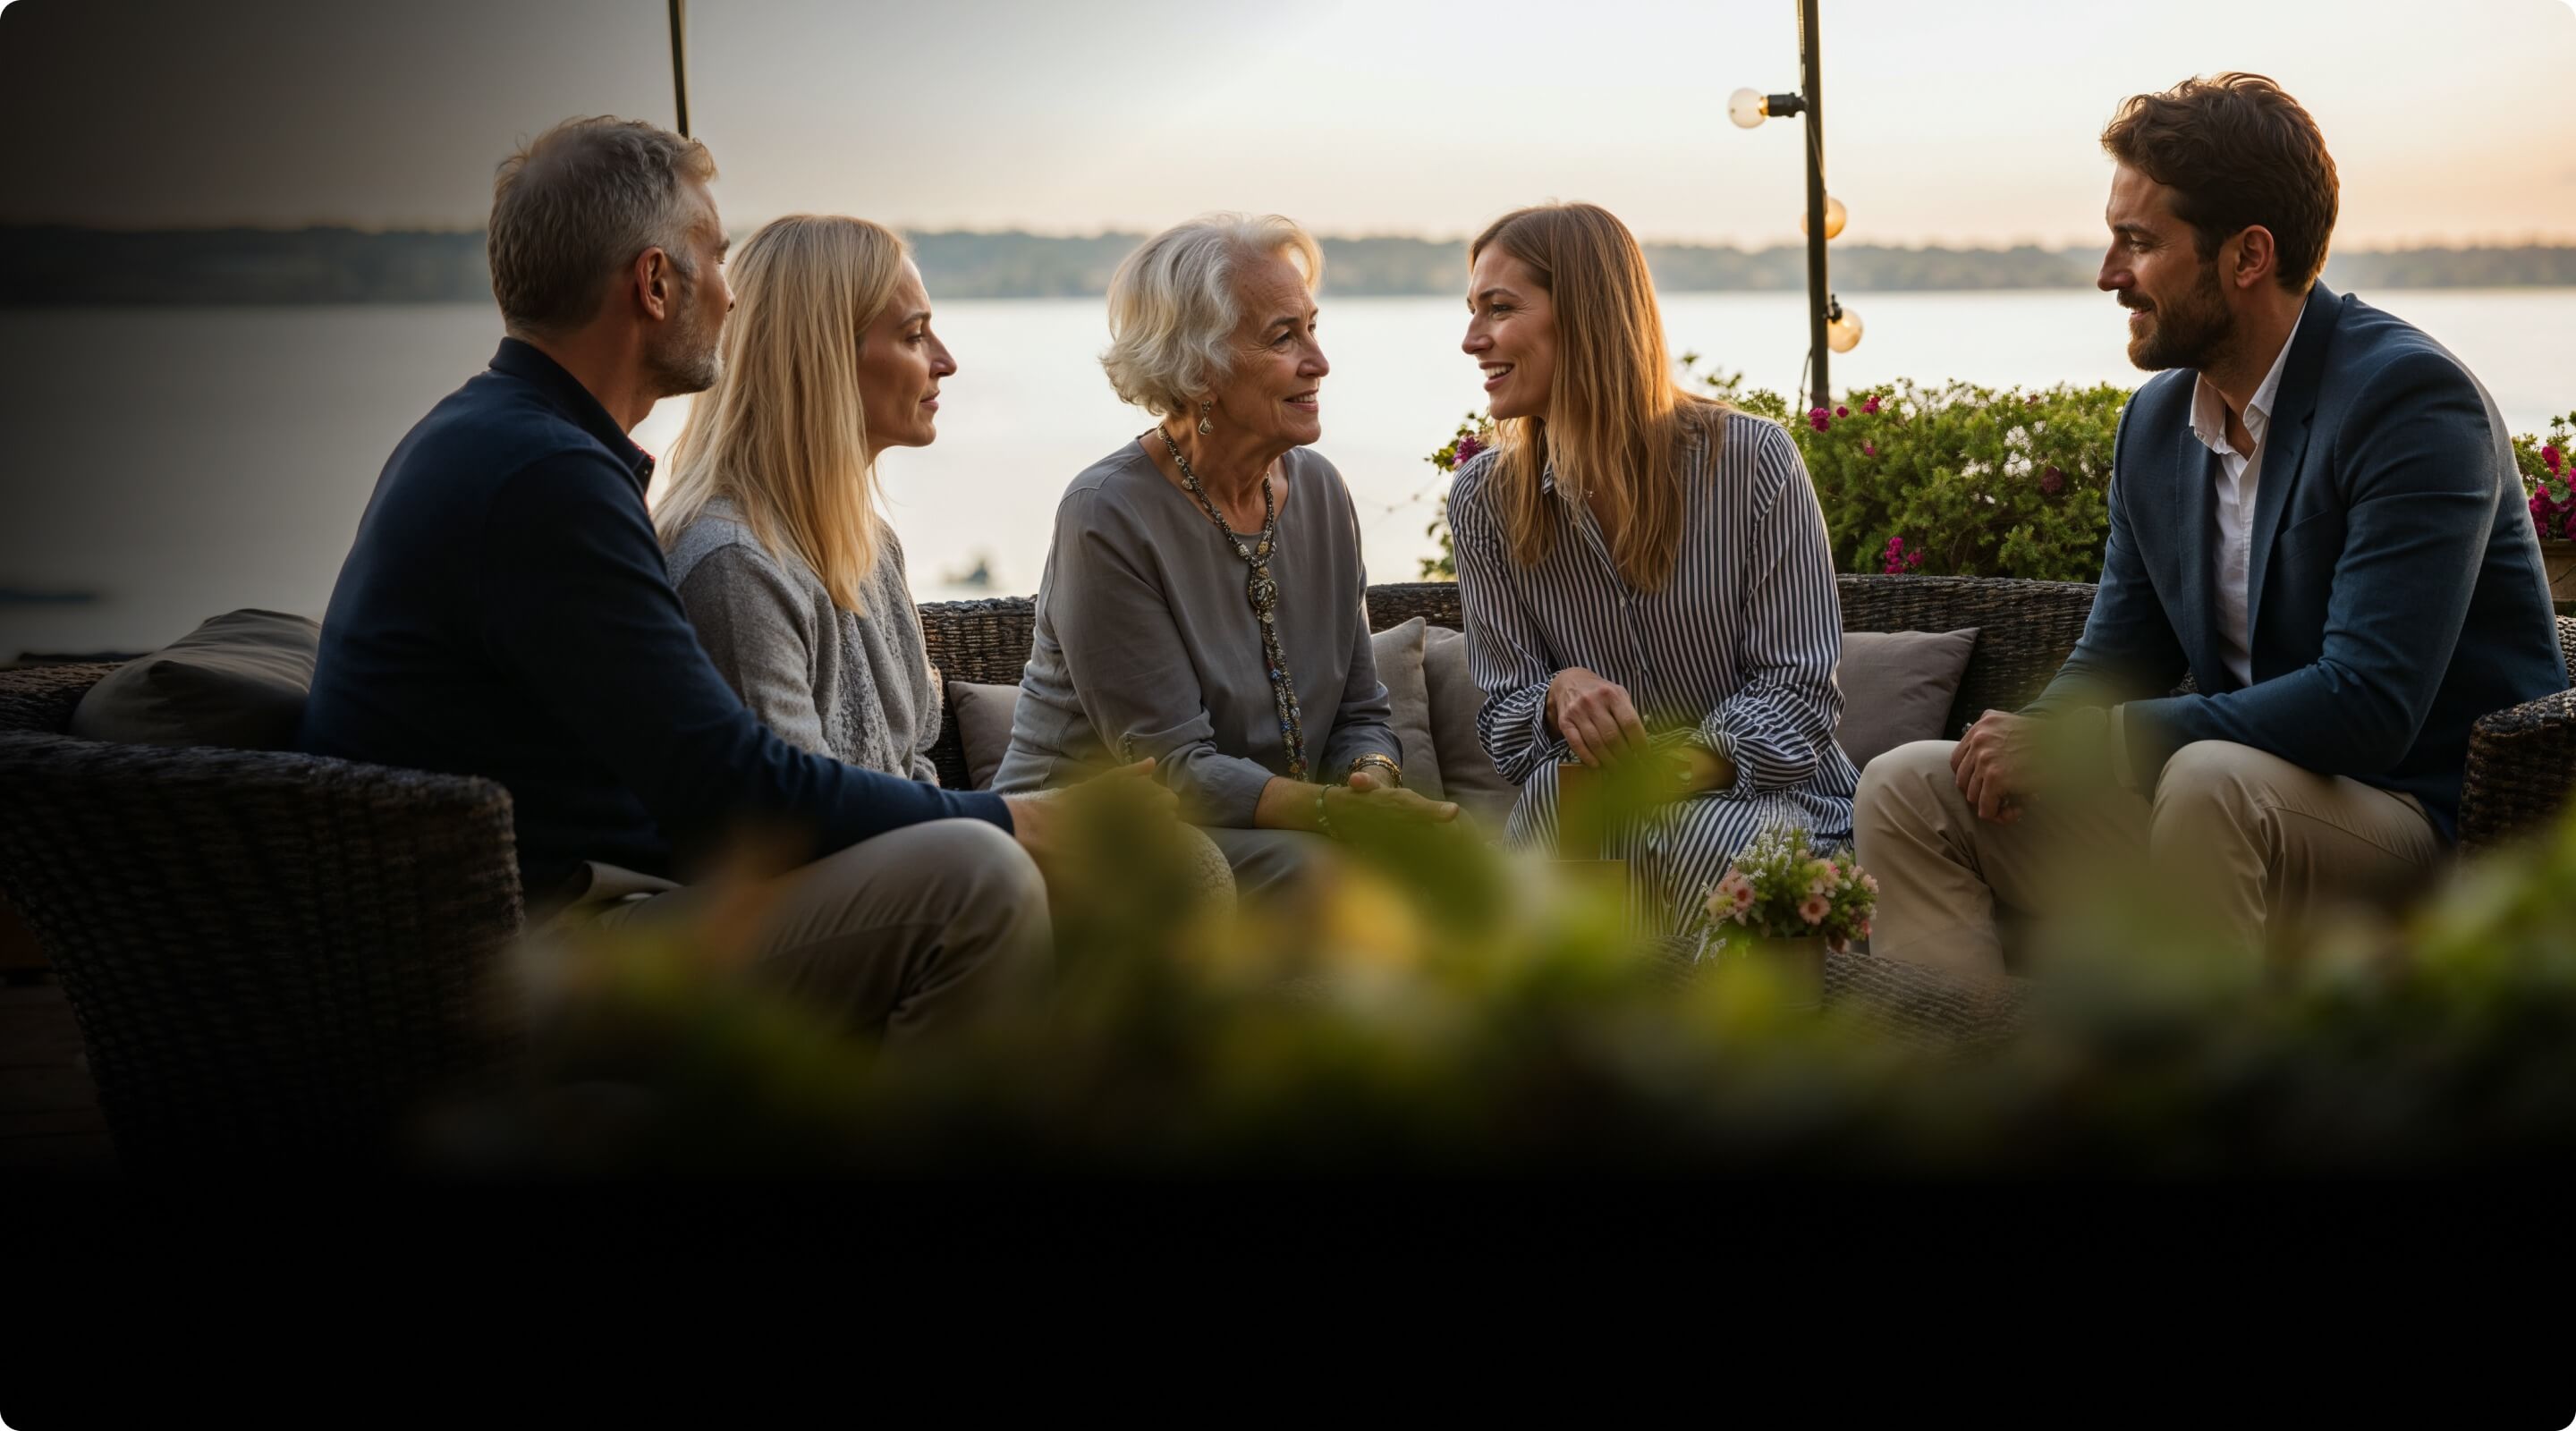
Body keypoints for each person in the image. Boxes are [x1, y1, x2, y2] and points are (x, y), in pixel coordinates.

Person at [299, 117, 1080, 1043]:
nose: (734, 296)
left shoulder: (503, 441)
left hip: (583, 907)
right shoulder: (541, 477)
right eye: (714, 256)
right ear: (655, 282)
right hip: (541, 953)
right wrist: (1003, 815)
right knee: (974, 878)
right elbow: (728, 788)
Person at [1853, 73, 2568, 978]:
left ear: (2247, 256)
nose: (2110, 276)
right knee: (1911, 785)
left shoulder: (2410, 402)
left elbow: (2369, 704)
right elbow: (2115, 660)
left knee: (2208, 781)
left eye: (2139, 243)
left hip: (2424, 830)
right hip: (2226, 807)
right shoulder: (2157, 424)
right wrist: (2019, 740)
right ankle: (1963, 1086)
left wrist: (2098, 743)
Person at [654, 213, 1233, 904]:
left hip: (922, 881)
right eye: (913, 335)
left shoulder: (869, 545)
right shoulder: (733, 564)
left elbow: (913, 771)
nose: (946, 361)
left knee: (1176, 861)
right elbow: (788, 828)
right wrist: (1026, 824)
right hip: (799, 917)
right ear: (823, 359)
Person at [991, 213, 1455, 897]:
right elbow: (1172, 766)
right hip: (1094, 840)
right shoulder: (1106, 513)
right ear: (1200, 369)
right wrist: (1337, 814)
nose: (1319, 362)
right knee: (1348, 883)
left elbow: (1363, 712)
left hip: (1267, 828)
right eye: (1282, 338)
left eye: (1313, 328)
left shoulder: (1321, 491)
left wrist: (1372, 784)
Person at [1448, 201, 1859, 935]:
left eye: (1499, 309)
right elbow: (1507, 726)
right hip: (1593, 805)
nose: (1472, 340)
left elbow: (1798, 695)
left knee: (1699, 837)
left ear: (1585, 314)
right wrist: (1554, 695)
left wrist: (1668, 774)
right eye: (1473, 311)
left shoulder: (1753, 461)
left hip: (1762, 801)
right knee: (1554, 806)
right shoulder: (1484, 501)